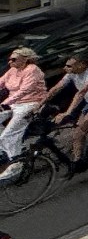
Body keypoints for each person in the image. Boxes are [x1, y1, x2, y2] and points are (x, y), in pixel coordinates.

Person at [0, 46, 46, 179]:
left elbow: (24, 90)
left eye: (13, 59)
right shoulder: (13, 70)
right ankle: (6, 150)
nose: (10, 62)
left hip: (30, 104)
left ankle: (16, 164)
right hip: (14, 104)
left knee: (8, 136)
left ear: (25, 60)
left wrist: (5, 103)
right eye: (10, 59)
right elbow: (1, 82)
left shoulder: (33, 70)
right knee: (5, 136)